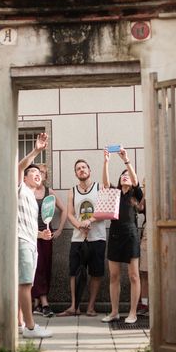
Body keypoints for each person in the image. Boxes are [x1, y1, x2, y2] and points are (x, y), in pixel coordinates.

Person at [57, 159, 106, 317]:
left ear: (89, 170)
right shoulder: (72, 190)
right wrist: (79, 225)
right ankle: (74, 306)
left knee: (96, 273)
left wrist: (89, 221)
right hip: (78, 238)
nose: (81, 170)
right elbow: (70, 214)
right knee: (74, 271)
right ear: (76, 173)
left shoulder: (99, 187)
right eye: (78, 168)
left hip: (97, 237)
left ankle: (91, 307)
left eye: (84, 167)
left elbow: (104, 209)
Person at [16, 133, 53, 338]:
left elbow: (24, 222)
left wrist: (41, 234)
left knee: (22, 284)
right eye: (33, 172)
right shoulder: (20, 188)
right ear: (25, 177)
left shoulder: (32, 196)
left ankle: (20, 323)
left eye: (39, 173)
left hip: (30, 240)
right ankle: (30, 328)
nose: (37, 174)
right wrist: (37, 150)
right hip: (22, 242)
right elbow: (20, 167)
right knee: (25, 284)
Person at [100, 147, 143, 324]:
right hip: (115, 236)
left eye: (128, 175)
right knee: (114, 275)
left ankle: (132, 312)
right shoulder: (114, 193)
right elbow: (105, 182)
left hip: (131, 235)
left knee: (133, 275)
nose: (125, 176)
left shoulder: (135, 194)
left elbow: (135, 180)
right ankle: (115, 312)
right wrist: (106, 161)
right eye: (122, 174)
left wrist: (126, 161)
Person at [31, 163, 65, 318]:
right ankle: (43, 303)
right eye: (38, 171)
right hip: (31, 234)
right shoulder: (27, 192)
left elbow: (64, 210)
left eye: (43, 172)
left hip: (46, 234)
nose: (41, 174)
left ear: (45, 176)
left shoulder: (49, 192)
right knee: (34, 267)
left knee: (45, 266)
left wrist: (59, 230)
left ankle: (38, 303)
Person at [136, 186, 149, 316]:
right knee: (144, 273)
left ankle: (159, 304)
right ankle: (145, 304)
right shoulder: (146, 194)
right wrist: (145, 192)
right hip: (147, 232)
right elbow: (140, 208)